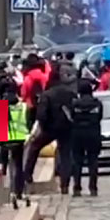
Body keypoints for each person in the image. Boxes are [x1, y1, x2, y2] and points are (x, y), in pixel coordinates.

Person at [24, 63, 78, 195]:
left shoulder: (47, 94)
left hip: (50, 128)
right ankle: (65, 184)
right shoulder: (69, 93)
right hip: (66, 127)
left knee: (35, 147)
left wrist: (43, 127)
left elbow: (41, 114)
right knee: (66, 155)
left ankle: (28, 175)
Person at [67, 80, 104, 197]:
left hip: (77, 134)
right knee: (93, 161)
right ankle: (93, 188)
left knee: (77, 161)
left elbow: (71, 117)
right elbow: (99, 117)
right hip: (93, 133)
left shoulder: (74, 104)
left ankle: (77, 187)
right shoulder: (97, 104)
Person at [0, 75, 29, 207]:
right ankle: (20, 191)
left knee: (4, 165)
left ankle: (6, 191)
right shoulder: (23, 106)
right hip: (20, 139)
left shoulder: (0, 106)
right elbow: (28, 121)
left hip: (5, 140)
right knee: (19, 166)